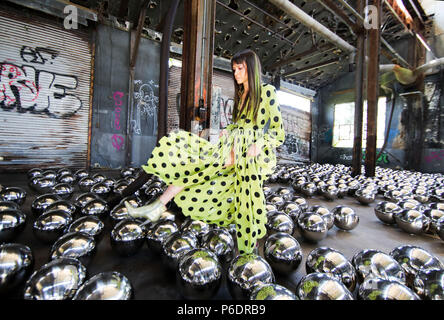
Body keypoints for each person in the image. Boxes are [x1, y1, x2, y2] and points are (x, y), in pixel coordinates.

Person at [123, 49, 285, 255]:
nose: (235, 74)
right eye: (234, 69)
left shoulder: (267, 91)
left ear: (251, 68)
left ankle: (248, 253)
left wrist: (260, 143)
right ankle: (158, 206)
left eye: (240, 69)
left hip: (251, 152)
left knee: (243, 196)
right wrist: (219, 131)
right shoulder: (241, 95)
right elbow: (240, 125)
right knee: (198, 169)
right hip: (235, 146)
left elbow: (278, 133)